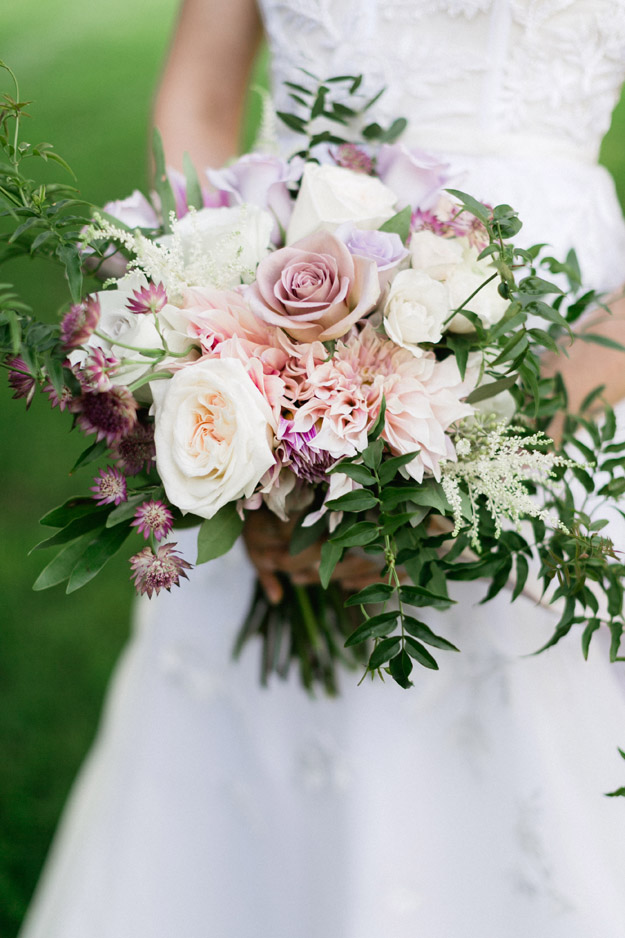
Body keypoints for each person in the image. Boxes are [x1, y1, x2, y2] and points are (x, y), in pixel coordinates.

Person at [19, 1, 625, 936]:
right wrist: (202, 339)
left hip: (568, 343)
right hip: (267, 269)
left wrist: (496, 442)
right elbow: (202, 88)